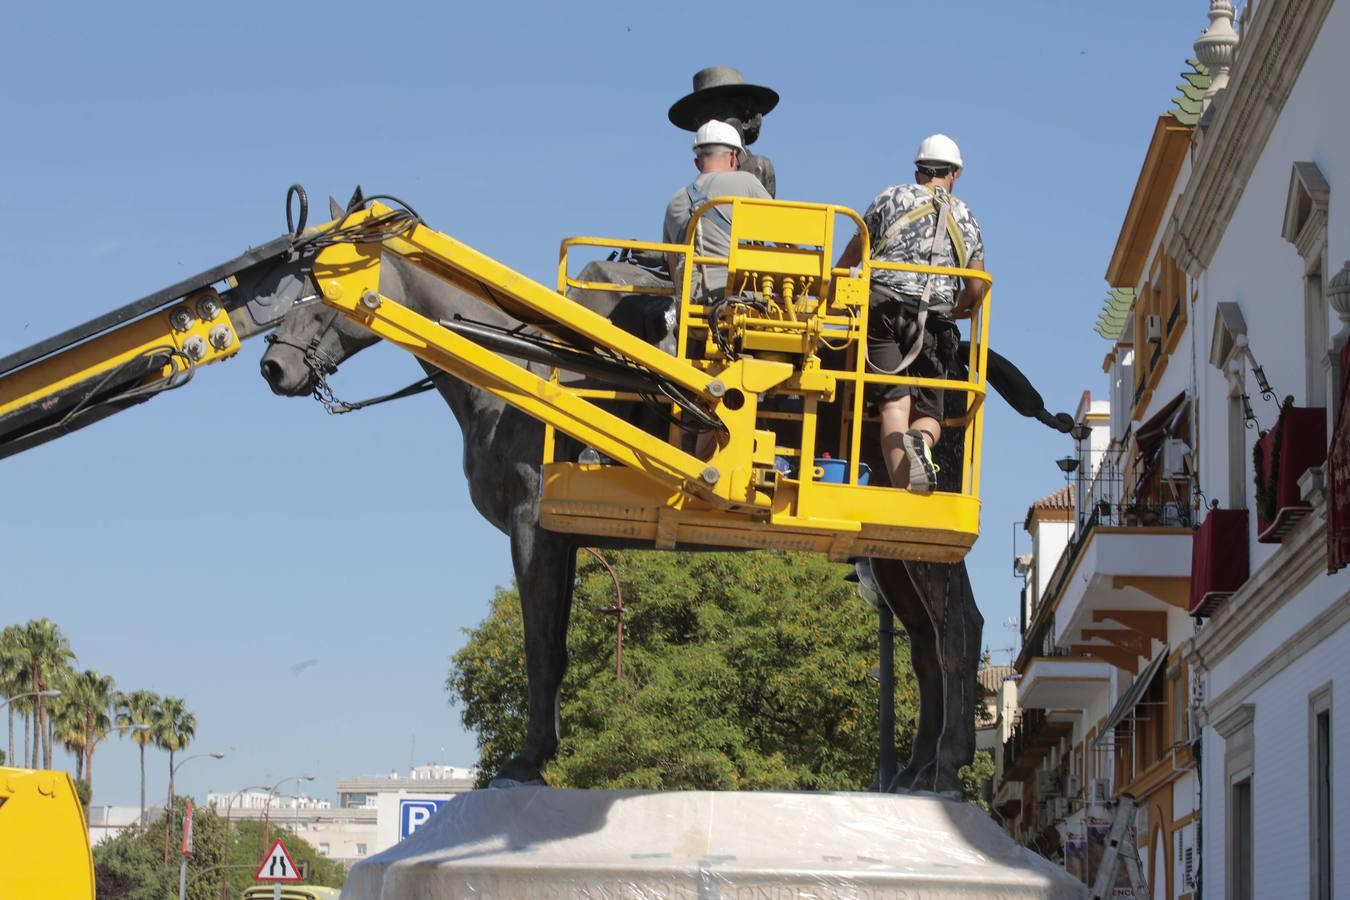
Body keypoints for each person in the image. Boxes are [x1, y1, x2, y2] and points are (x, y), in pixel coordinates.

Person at [835, 134, 987, 495]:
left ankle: (904, 485)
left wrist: (835, 283)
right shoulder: (967, 217)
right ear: (954, 174)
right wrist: (962, 307)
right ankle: (920, 442)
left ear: (918, 171)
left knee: (893, 402)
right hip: (935, 319)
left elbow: (857, 248)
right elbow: (977, 288)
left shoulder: (890, 197)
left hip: (883, 308)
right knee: (930, 415)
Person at [662, 120, 771, 302]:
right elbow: (789, 240)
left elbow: (672, 264)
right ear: (733, 157)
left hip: (690, 308)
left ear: (697, 163)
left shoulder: (674, 202)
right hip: (736, 306)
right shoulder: (745, 182)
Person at [668, 66, 779, 197]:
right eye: (703, 121)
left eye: (720, 116)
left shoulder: (758, 167)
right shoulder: (690, 193)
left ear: (746, 121)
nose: (712, 126)